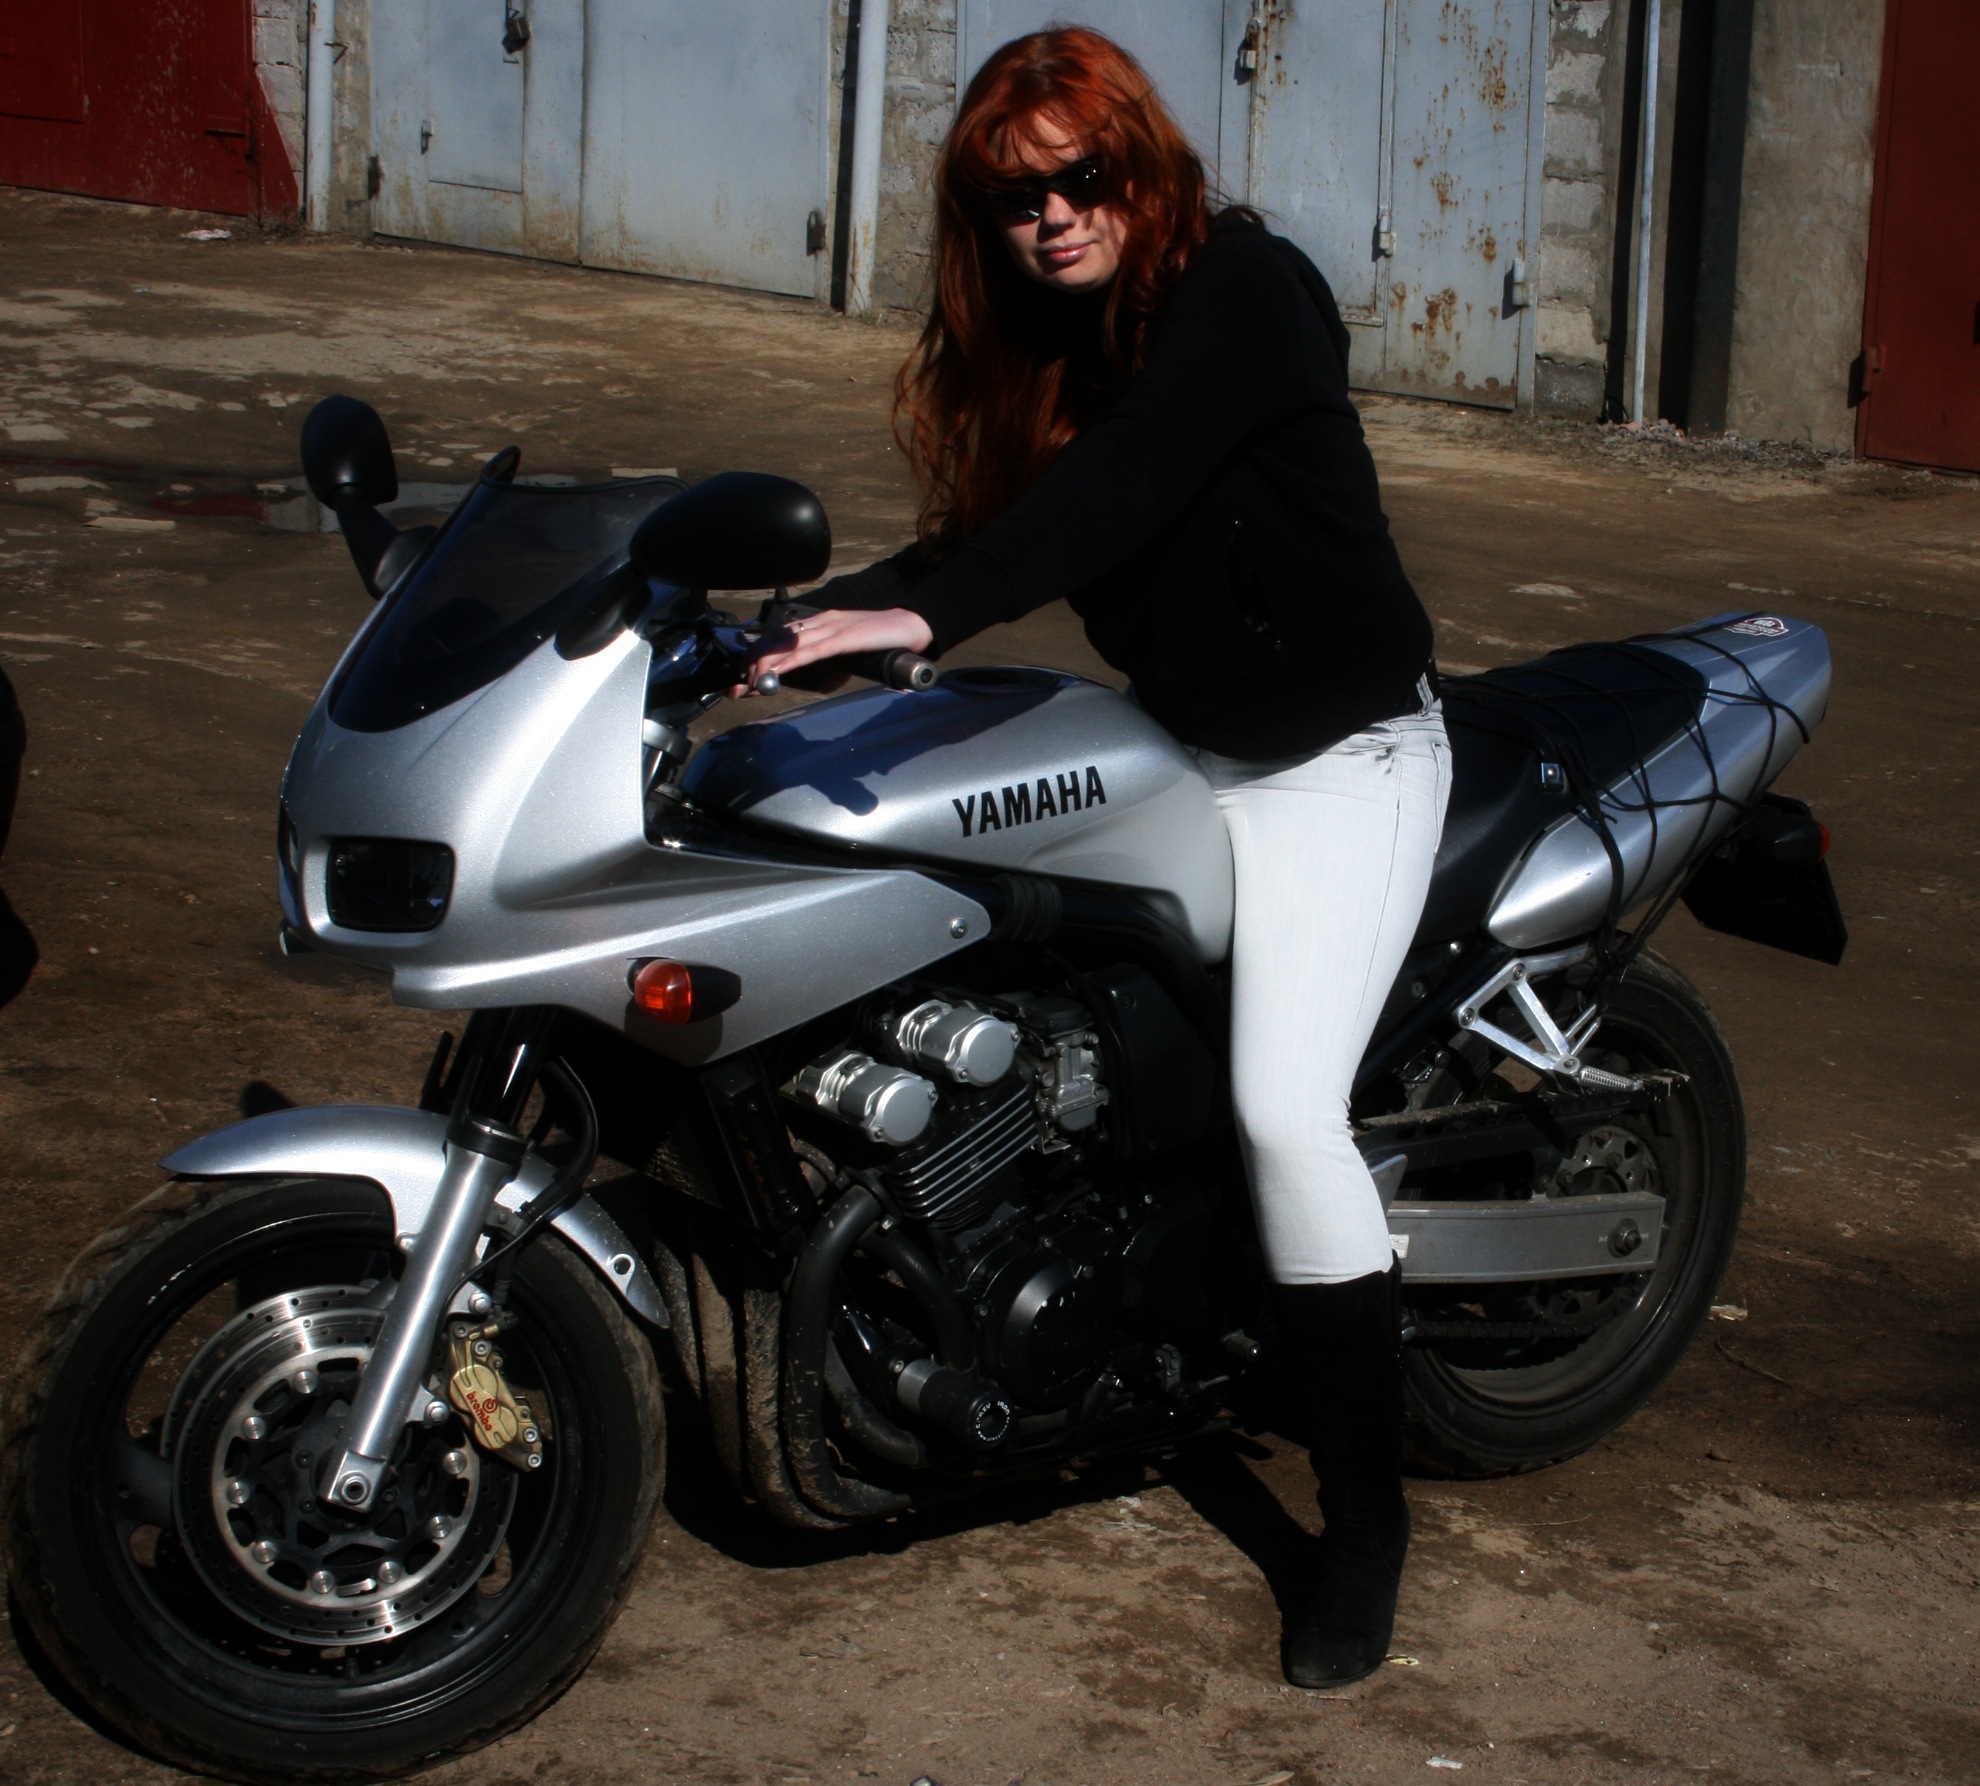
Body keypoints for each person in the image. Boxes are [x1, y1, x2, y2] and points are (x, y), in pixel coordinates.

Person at [753, 27, 1451, 1690]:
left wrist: (934, 613)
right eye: (1017, 197)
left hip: (1341, 762)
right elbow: (996, 535)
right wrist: (804, 626)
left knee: (1283, 1110)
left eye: (1084, 177)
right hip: (1180, 750)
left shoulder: (1249, 291)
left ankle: (1364, 1526)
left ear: (1145, 166)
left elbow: (1130, 489)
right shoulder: (1055, 351)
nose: (1055, 215)